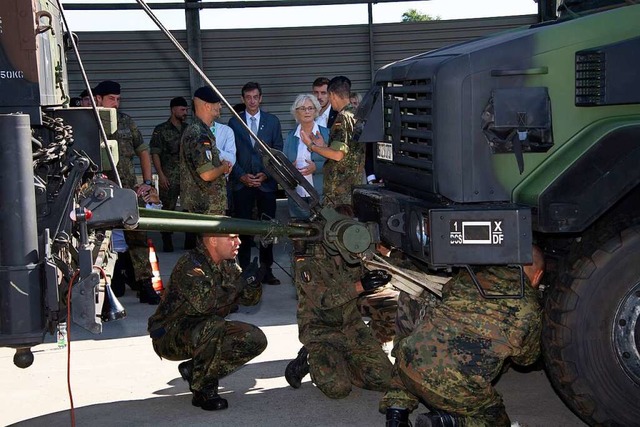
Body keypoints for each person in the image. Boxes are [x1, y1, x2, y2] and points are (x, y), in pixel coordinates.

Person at [381, 247, 545, 427]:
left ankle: (396, 413)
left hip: (408, 362)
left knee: (415, 355)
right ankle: (445, 422)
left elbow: (447, 292)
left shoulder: (469, 277)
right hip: (453, 385)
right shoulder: (530, 307)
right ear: (537, 276)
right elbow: (526, 359)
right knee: (496, 420)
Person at [147, 233, 267, 411]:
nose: (238, 242)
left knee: (254, 339)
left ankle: (195, 370)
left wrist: (254, 283)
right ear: (213, 240)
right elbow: (206, 305)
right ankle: (203, 391)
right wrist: (241, 283)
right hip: (169, 334)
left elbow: (248, 300)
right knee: (212, 325)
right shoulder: (191, 265)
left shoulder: (227, 264)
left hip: (204, 328)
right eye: (232, 238)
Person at [283, 235, 393, 399]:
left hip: (351, 328)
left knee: (386, 380)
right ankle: (309, 359)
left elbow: (382, 264)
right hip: (321, 332)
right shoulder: (308, 258)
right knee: (338, 389)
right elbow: (323, 299)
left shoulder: (356, 250)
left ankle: (345, 362)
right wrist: (361, 286)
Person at [94, 80, 157, 304]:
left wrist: (147, 181)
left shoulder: (126, 122)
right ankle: (107, 285)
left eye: (118, 99)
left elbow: (143, 151)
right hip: (100, 194)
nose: (116, 103)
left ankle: (145, 284)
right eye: (111, 99)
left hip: (128, 191)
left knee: (138, 236)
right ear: (98, 99)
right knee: (100, 241)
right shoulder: (91, 122)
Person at [228, 81, 283, 285]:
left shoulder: (272, 121)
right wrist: (241, 175)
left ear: (261, 98)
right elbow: (230, 153)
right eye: (248, 97)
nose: (252, 101)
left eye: (255, 97)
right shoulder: (234, 122)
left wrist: (265, 174)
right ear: (243, 99)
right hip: (242, 184)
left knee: (268, 228)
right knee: (243, 227)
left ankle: (266, 269)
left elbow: (278, 151)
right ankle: (243, 268)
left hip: (265, 184)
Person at [304, 76, 364, 209]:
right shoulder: (356, 114)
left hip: (339, 193)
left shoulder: (342, 118)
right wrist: (324, 146)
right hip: (353, 187)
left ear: (332, 95)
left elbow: (337, 155)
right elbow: (348, 150)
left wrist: (311, 146)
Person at [180, 86, 232, 219]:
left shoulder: (200, 131)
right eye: (217, 103)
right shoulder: (199, 134)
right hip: (205, 208)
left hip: (204, 205)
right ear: (207, 106)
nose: (220, 106)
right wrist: (224, 168)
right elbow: (207, 174)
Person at [150, 96, 188, 252]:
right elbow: (155, 153)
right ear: (173, 110)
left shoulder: (189, 129)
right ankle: (167, 241)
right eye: (182, 109)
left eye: (186, 110)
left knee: (189, 209)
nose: (185, 112)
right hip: (169, 176)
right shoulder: (161, 130)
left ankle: (190, 241)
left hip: (187, 177)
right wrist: (161, 174)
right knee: (168, 209)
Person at [283, 94, 329, 220]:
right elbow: (283, 162)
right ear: (296, 112)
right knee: (300, 234)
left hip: (322, 194)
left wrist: (317, 167)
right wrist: (289, 168)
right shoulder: (291, 136)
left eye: (310, 108)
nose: (307, 111)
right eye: (302, 108)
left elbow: (335, 162)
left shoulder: (326, 133)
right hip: (297, 195)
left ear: (316, 111)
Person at [209, 100, 236, 214]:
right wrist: (221, 156)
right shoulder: (192, 131)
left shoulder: (226, 130)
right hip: (198, 190)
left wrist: (213, 151)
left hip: (222, 186)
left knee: (223, 225)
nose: (220, 107)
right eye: (217, 104)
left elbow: (231, 159)